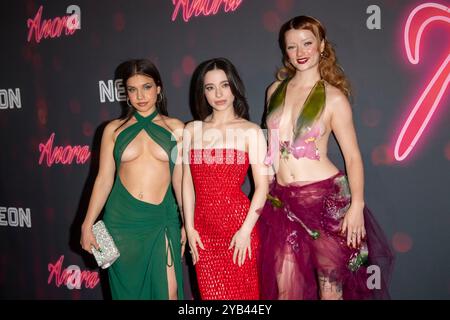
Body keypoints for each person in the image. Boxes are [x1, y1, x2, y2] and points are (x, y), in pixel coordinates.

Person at [259, 15, 394, 300]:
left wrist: (357, 205)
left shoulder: (334, 98)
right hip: (282, 202)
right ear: (285, 51)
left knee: (330, 290)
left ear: (321, 45)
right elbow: (270, 149)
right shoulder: (274, 91)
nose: (300, 52)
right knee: (286, 290)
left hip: (326, 202)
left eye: (307, 43)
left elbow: (353, 156)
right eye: (292, 47)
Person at [80, 59, 185, 300]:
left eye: (147, 87)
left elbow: (180, 182)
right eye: (132, 89)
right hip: (121, 223)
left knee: (169, 293)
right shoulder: (113, 130)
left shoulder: (176, 128)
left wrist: (187, 223)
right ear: (126, 94)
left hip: (161, 220)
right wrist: (88, 223)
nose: (140, 96)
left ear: (158, 89)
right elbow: (104, 179)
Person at [182, 57, 268, 299]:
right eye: (210, 87)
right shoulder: (190, 130)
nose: (218, 93)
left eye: (224, 85)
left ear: (235, 87)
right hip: (203, 232)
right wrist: (189, 227)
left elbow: (262, 187)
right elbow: (186, 183)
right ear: (203, 92)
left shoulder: (250, 131)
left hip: (239, 229)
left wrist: (245, 231)